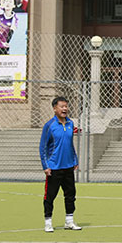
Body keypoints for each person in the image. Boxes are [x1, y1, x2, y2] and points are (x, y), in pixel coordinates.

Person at [40, 96, 82, 232]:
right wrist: (45, 166)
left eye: (66, 106)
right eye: (62, 106)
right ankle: (48, 221)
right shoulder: (49, 126)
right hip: (54, 167)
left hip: (68, 166)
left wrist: (75, 160)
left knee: (70, 194)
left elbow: (70, 144)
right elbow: (43, 147)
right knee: (50, 196)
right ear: (54, 108)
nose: (65, 109)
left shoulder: (70, 124)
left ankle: (69, 221)